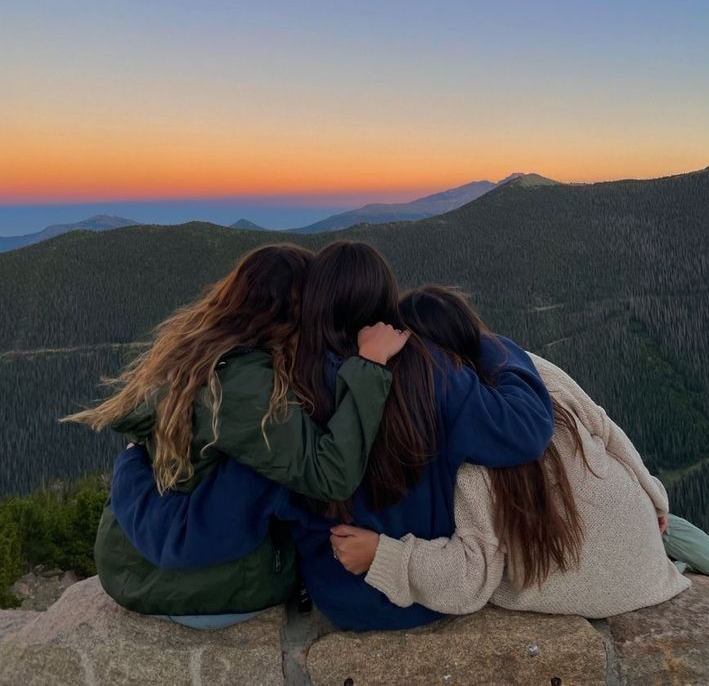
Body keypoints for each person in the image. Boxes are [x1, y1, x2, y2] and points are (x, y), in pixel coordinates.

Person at [109, 242, 556, 631]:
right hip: (430, 597)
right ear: (387, 304)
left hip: (342, 598)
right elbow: (527, 429)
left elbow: (204, 529)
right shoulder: (436, 374)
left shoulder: (286, 403)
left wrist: (132, 466)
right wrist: (484, 340)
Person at [330, 288, 709, 617]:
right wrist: (655, 499)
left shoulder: (468, 449)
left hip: (597, 586)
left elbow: (472, 575)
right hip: (636, 530)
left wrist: (382, 555)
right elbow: (605, 427)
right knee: (677, 528)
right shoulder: (531, 372)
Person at [63, 244, 408, 627]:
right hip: (206, 588)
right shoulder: (243, 387)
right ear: (292, 310)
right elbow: (332, 475)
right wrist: (371, 366)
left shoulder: (205, 353)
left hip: (148, 566)